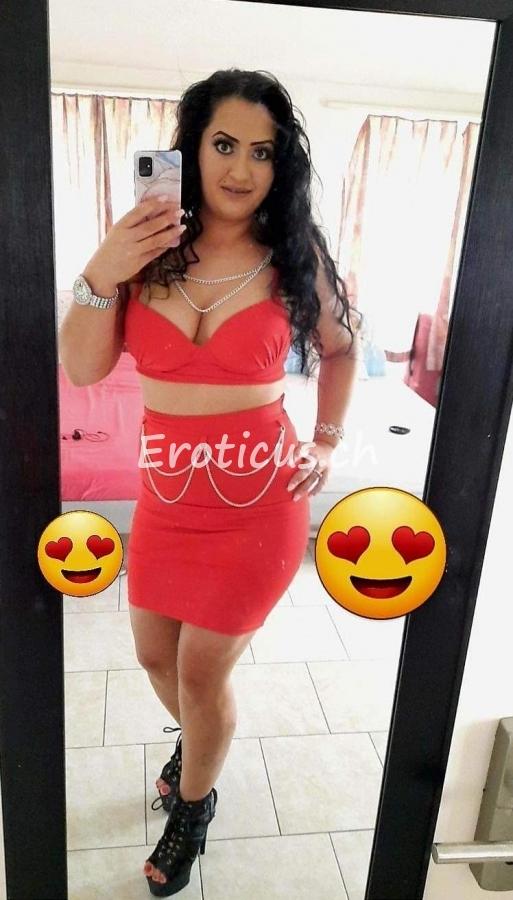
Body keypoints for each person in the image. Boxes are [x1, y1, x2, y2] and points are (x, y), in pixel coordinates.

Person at [59, 69, 362, 897]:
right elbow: (82, 369)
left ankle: (193, 807)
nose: (240, 168)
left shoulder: (292, 257)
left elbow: (340, 350)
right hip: (167, 497)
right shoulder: (146, 252)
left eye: (261, 152)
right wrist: (103, 266)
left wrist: (327, 441)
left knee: (200, 671)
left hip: (259, 500)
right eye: (224, 144)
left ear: (279, 166)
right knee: (152, 654)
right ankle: (199, 744)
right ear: (191, 149)